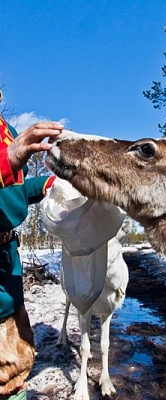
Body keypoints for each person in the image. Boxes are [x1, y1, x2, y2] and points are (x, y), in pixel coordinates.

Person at [0, 104, 64, 399]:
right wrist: (6, 161)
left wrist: (52, 183)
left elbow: (17, 189)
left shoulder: (7, 132)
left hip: (6, 260)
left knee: (13, 364)